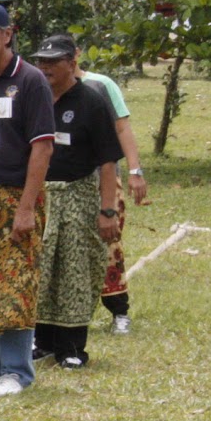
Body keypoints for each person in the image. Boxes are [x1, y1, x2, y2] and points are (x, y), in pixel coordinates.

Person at [0, 2, 54, 399]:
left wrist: (26, 207)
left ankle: (18, 371)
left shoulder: (31, 80)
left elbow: (43, 147)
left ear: (8, 33)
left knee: (17, 282)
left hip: (19, 192)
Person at [30, 35, 122, 369]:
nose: (46, 67)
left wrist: (107, 209)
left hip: (79, 193)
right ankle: (43, 341)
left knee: (75, 269)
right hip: (41, 196)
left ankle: (72, 346)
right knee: (41, 268)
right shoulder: (35, 97)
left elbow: (108, 161)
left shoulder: (91, 101)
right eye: (42, 61)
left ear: (72, 62)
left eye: (54, 61)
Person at [78, 62, 150, 334]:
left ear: (76, 56)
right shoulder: (43, 87)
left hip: (104, 179)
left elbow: (122, 128)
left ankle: (119, 311)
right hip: (63, 183)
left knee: (109, 245)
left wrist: (135, 171)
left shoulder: (100, 85)